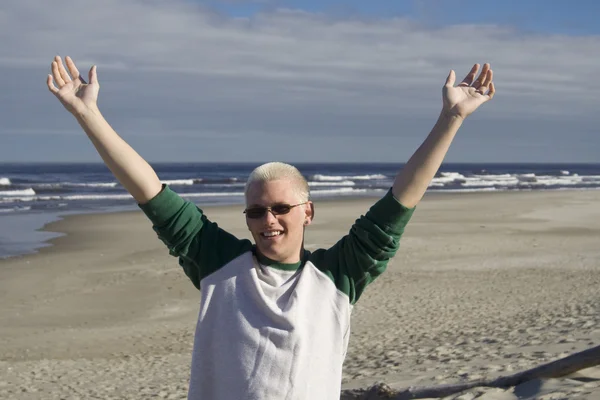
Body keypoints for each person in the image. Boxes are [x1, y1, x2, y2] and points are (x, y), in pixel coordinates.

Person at [47, 55, 495, 399]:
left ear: (308, 211)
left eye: (281, 208)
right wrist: (87, 114)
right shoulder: (218, 261)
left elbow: (399, 202)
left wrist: (451, 117)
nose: (268, 220)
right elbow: (149, 191)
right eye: (256, 211)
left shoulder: (338, 275)